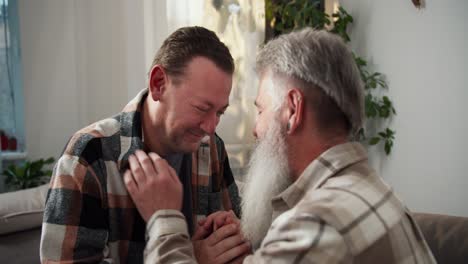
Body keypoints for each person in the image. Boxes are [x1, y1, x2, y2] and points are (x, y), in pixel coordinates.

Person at [124, 28, 437, 263]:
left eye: (260, 110)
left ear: (292, 109)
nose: (256, 131)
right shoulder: (375, 191)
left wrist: (164, 218)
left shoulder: (316, 227)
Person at [40, 26, 247, 264]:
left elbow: (232, 245)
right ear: (158, 83)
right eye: (202, 108)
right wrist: (192, 257)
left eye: (220, 112)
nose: (211, 127)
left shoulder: (211, 148)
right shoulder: (86, 157)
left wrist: (235, 235)